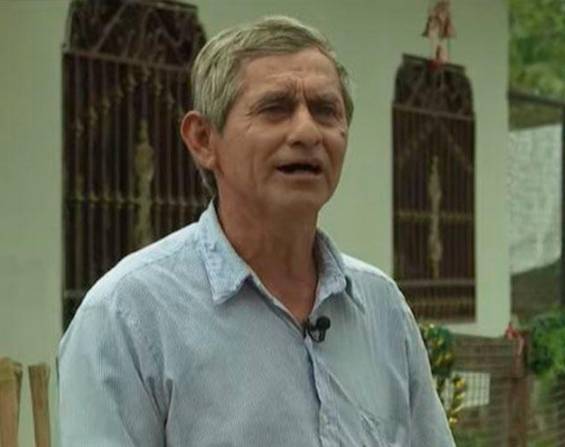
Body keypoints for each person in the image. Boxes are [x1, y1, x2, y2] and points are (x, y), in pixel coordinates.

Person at [58, 15, 456, 447]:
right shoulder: (127, 316)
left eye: (325, 110)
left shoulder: (382, 309)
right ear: (203, 140)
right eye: (275, 109)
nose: (307, 132)